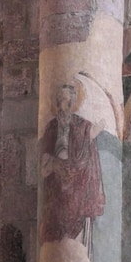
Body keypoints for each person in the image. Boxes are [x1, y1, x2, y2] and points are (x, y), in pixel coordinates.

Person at [40, 83, 105, 248]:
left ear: (73, 103)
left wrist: (93, 132)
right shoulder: (51, 127)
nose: (64, 105)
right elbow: (44, 163)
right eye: (61, 100)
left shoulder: (81, 125)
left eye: (68, 101)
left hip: (77, 188)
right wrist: (53, 165)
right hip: (55, 188)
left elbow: (85, 155)